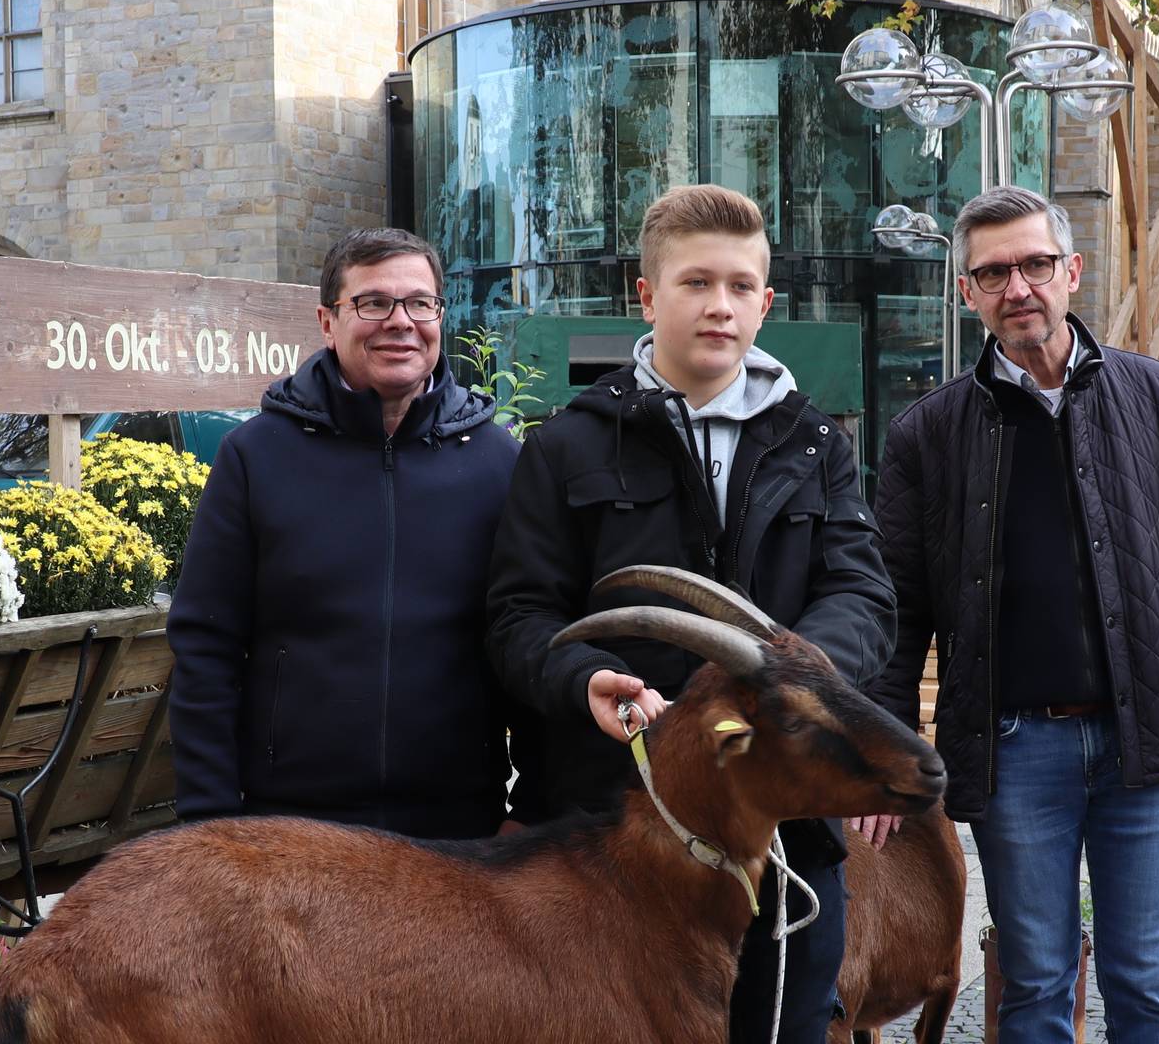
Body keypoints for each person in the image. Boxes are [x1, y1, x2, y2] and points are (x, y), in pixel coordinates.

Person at [485, 183, 894, 1044]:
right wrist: (582, 679)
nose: (721, 306)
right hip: (608, 841)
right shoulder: (566, 446)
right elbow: (517, 618)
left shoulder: (818, 445)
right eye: (696, 283)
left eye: (742, 286)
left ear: (767, 301)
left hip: (784, 839)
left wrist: (793, 681)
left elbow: (863, 597)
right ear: (646, 294)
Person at [866, 187, 1159, 1044]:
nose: (1017, 287)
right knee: (1033, 982)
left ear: (1071, 271)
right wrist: (882, 754)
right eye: (993, 273)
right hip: (1015, 749)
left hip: (1143, 743)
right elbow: (895, 613)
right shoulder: (928, 434)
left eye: (1034, 265)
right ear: (968, 295)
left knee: (1145, 984)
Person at [166, 227, 524, 838]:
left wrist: (532, 810)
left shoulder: (497, 462)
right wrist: (208, 822)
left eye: (420, 303)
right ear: (328, 322)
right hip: (293, 825)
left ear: (440, 316)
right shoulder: (256, 457)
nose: (400, 321)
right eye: (373, 303)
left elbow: (525, 636)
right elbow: (206, 645)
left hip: (457, 830)